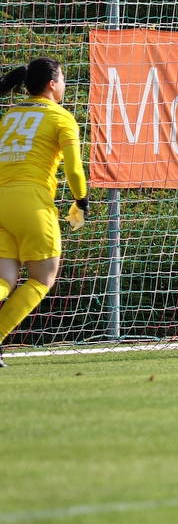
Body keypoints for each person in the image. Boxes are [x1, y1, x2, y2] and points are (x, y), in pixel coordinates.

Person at [0, 57, 88, 367]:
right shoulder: (61, 118)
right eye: (62, 79)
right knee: (42, 277)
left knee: (5, 280)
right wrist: (82, 201)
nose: (64, 84)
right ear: (52, 84)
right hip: (31, 202)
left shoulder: (10, 115)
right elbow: (75, 170)